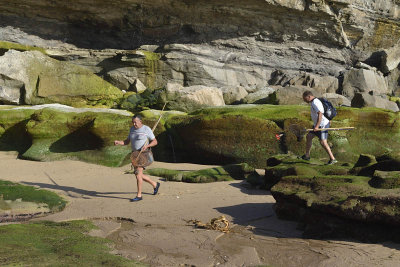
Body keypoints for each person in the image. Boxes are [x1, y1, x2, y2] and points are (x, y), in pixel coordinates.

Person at [114, 114, 160, 202]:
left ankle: (139, 195)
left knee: (138, 175)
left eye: (135, 122)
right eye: (133, 122)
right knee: (138, 174)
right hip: (135, 155)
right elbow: (127, 142)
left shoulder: (146, 129)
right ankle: (155, 184)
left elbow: (155, 141)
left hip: (143, 154)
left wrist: (147, 146)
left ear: (140, 121)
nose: (134, 124)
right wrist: (118, 142)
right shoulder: (132, 129)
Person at [301, 91, 337, 165]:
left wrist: (317, 126)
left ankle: (332, 159)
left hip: (322, 125)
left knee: (323, 142)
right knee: (309, 136)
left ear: (309, 97)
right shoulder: (314, 101)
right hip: (317, 124)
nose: (304, 100)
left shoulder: (315, 102)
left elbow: (320, 114)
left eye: (305, 99)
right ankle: (307, 155)